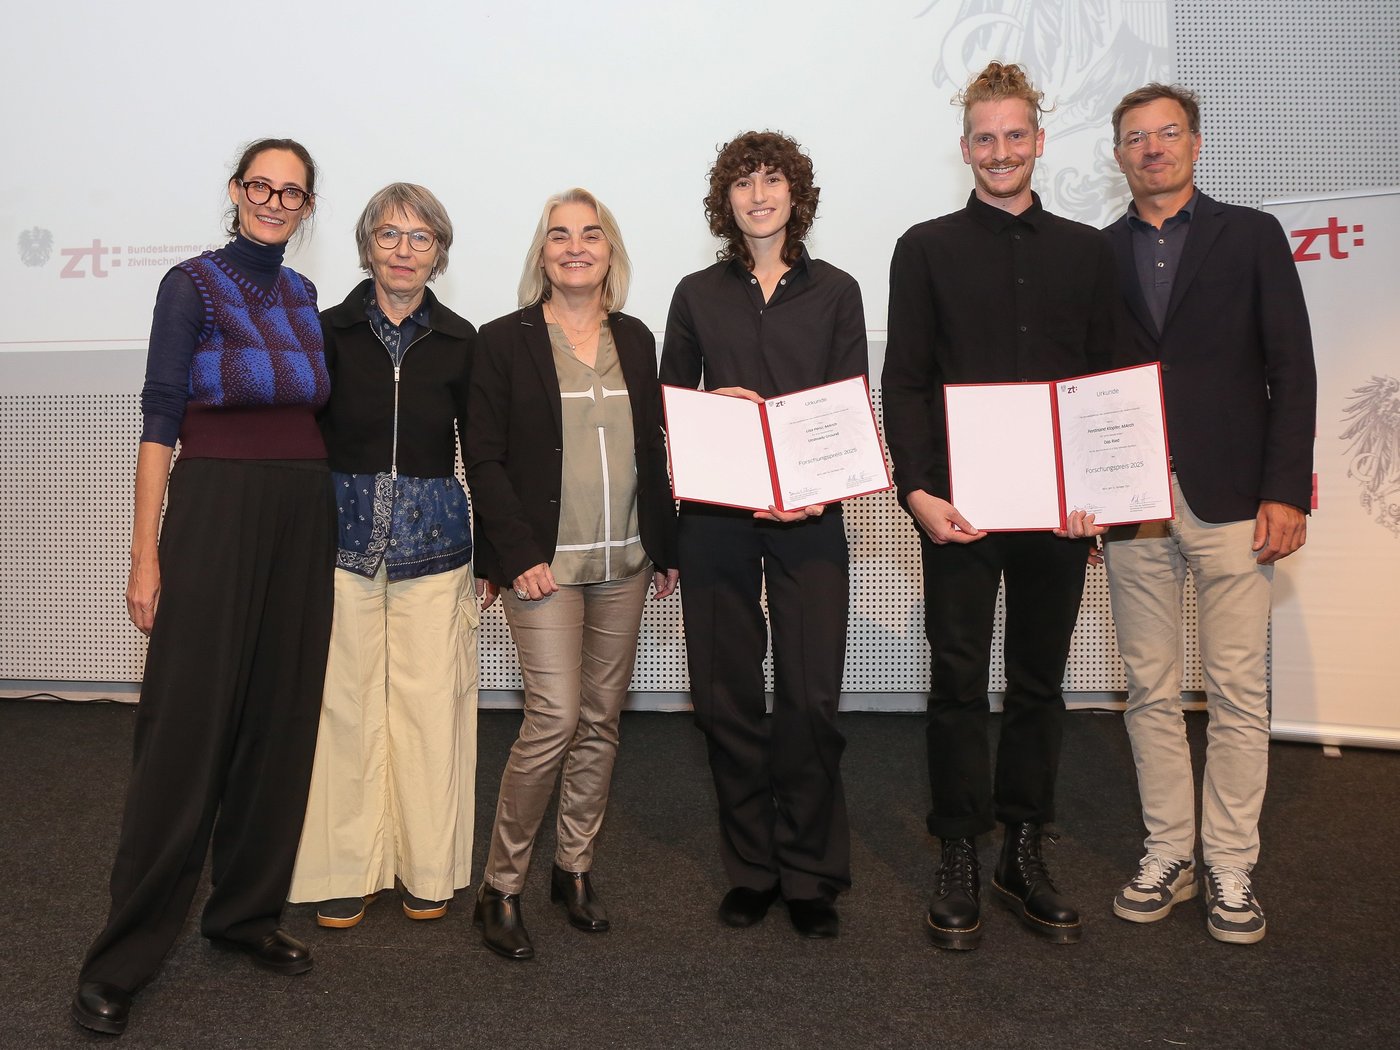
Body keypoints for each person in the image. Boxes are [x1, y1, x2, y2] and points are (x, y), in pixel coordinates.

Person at [72, 139, 333, 1035]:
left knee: (280, 720)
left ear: (305, 208)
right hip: (216, 507)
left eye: (290, 191)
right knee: (186, 735)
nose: (273, 200)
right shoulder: (190, 283)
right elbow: (159, 418)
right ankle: (122, 959)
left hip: (304, 513)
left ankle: (244, 915)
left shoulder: (302, 296)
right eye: (260, 185)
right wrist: (145, 553)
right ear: (234, 191)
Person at [881, 62, 1116, 950]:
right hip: (960, 512)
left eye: (1016, 135)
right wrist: (916, 492)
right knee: (956, 684)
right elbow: (905, 381)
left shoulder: (1088, 253)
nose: (1000, 151)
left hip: (1059, 514)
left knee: (1038, 687)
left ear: (1041, 140)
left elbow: (1106, 384)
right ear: (966, 146)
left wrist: (1098, 492)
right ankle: (959, 852)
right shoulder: (925, 247)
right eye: (985, 137)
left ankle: (1023, 848)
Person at [1096, 83, 1315, 944]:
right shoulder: (1099, 253)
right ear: (1117, 155)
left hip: (1234, 498)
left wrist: (1286, 489)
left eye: (1167, 133)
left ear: (1195, 143)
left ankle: (1230, 864)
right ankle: (1168, 853)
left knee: (1236, 691)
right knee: (1147, 690)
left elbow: (1290, 367)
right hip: (1135, 504)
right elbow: (1087, 385)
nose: (1152, 148)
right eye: (1135, 138)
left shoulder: (1251, 235)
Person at [660, 131, 868, 939]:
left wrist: (812, 491)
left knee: (811, 697)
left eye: (772, 179)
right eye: (742, 182)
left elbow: (851, 403)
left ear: (796, 193)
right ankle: (753, 869)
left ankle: (811, 872)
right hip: (716, 517)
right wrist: (723, 404)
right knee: (726, 697)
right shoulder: (694, 293)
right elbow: (672, 406)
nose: (758, 194)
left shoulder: (838, 291)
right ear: (726, 199)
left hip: (812, 517)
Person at [465, 188, 678, 961]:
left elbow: (657, 446)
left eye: (591, 235)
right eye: (560, 236)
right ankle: (501, 885)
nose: (576, 246)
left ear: (610, 251)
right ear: (542, 253)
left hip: (626, 560)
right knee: (552, 717)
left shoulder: (638, 337)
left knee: (600, 719)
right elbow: (483, 457)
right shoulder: (503, 341)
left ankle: (575, 868)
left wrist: (670, 543)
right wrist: (513, 553)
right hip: (543, 568)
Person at [287, 184, 480, 928]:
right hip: (338, 539)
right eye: (390, 235)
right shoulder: (322, 332)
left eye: (421, 237)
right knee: (343, 707)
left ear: (440, 252)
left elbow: (485, 453)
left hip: (438, 545)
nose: (404, 250)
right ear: (366, 245)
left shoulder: (466, 340)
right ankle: (344, 869)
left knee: (432, 707)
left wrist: (493, 552)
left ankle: (426, 867)